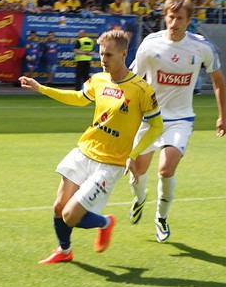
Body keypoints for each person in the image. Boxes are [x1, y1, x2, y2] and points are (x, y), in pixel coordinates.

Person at [20, 29, 163, 264]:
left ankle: (106, 222)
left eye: (108, 55)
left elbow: (157, 127)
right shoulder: (98, 79)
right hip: (85, 151)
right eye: (101, 54)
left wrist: (133, 155)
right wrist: (41, 88)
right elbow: (78, 98)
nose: (103, 60)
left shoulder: (142, 90)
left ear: (124, 54)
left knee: (70, 215)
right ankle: (64, 251)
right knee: (59, 207)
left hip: (110, 164)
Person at [127, 0, 226, 242]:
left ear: (189, 20)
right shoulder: (150, 44)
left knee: (166, 168)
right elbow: (133, 80)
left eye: (180, 18)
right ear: (165, 16)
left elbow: (218, 82)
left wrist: (223, 117)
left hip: (180, 119)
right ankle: (140, 198)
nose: (174, 23)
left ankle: (161, 218)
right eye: (171, 17)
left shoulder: (201, 47)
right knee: (136, 172)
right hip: (149, 119)